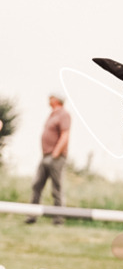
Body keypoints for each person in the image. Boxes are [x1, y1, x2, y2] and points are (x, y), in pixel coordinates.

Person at [25, 92, 71, 224]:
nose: (48, 99)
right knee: (36, 185)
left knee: (56, 188)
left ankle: (58, 219)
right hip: (45, 156)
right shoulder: (52, 114)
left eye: (51, 97)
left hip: (55, 157)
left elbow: (65, 135)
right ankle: (31, 216)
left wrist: (56, 153)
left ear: (56, 100)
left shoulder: (64, 114)